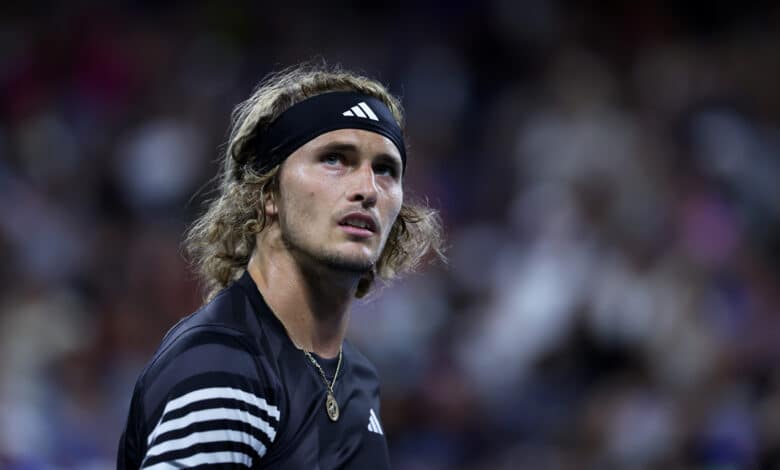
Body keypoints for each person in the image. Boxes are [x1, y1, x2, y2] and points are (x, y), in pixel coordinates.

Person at [117, 63, 443, 469]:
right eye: (334, 159)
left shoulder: (357, 377)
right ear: (267, 192)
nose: (368, 189)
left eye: (385, 169)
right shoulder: (225, 364)